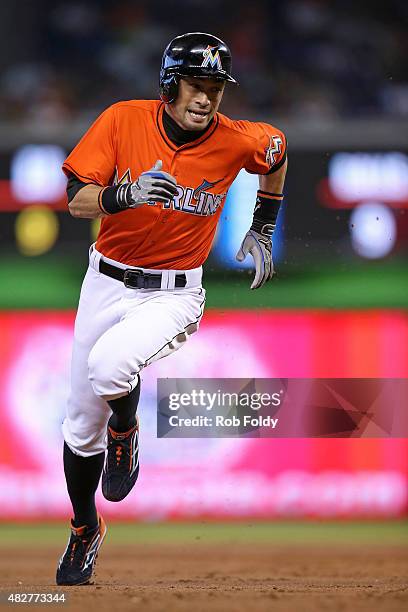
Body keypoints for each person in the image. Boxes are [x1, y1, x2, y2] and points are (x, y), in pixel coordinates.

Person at [56, 31, 287, 586]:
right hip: (104, 281)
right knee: (77, 427)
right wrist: (124, 195)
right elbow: (75, 199)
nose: (206, 98)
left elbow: (276, 150)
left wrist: (263, 224)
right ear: (169, 85)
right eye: (195, 85)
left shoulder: (236, 139)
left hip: (173, 292)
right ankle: (86, 529)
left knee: (111, 366)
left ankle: (127, 426)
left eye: (215, 88)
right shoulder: (122, 121)